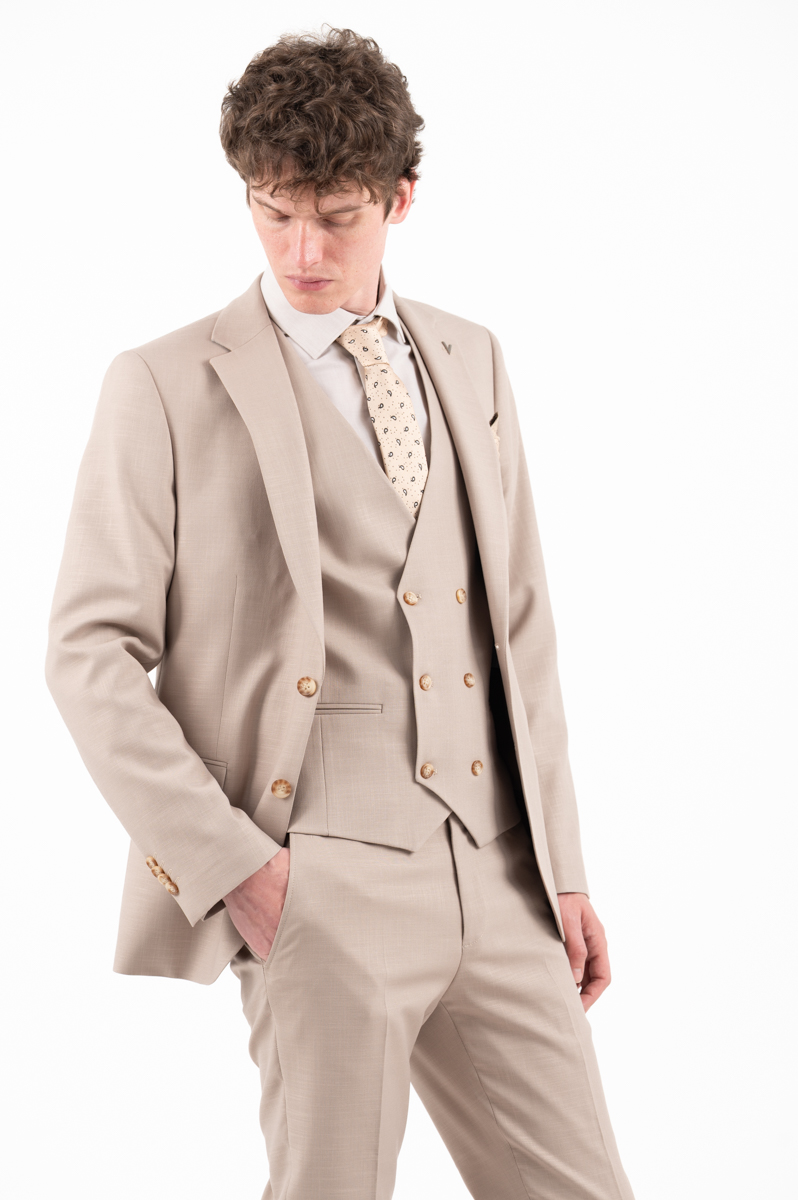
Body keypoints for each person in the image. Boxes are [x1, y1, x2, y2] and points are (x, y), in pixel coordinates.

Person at [45, 27, 636, 1200]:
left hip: (501, 876)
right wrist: (237, 869)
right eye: (273, 212)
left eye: (337, 215)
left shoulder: (471, 358)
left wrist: (560, 866)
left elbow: (518, 624)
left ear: (402, 197)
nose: (302, 250)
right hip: (315, 881)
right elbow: (88, 653)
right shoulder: (163, 383)